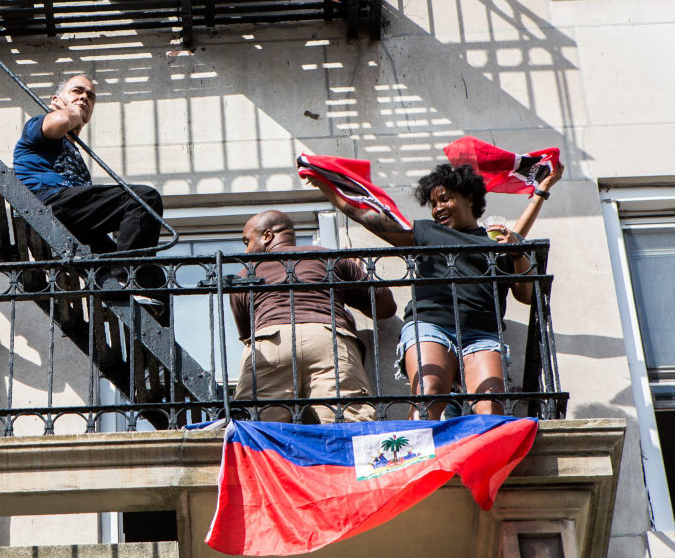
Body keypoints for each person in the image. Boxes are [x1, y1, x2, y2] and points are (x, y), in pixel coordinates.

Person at [309, 160, 563, 418]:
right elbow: (368, 216)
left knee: (492, 406)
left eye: (445, 199)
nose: (437, 208)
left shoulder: (497, 241)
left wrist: (518, 252)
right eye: (433, 204)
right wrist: (327, 185)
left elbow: (527, 296)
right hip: (431, 325)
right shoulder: (427, 231)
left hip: (482, 333)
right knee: (429, 394)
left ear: (470, 198)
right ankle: (416, 456)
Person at [228, 209, 396, 423]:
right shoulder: (329, 258)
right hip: (328, 338)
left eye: (247, 241)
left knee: (257, 428)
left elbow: (247, 334)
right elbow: (385, 307)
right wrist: (356, 275)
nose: (246, 250)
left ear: (267, 236)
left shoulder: (245, 275)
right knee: (347, 427)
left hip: (269, 343)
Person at [12, 73, 165, 307]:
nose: (85, 97)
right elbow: (59, 123)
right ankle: (126, 281)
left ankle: (142, 304)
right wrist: (71, 113)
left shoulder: (75, 155)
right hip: (50, 205)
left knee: (156, 278)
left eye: (90, 96)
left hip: (75, 219)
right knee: (143, 198)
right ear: (56, 99)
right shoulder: (37, 125)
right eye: (77, 91)